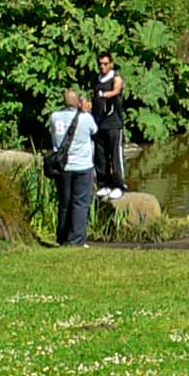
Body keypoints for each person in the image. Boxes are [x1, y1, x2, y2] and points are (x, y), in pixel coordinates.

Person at [47, 86, 98, 247]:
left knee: (64, 202)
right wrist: (84, 110)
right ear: (78, 102)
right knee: (80, 203)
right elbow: (94, 131)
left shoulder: (54, 117)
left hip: (62, 167)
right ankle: (77, 239)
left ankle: (61, 237)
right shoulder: (85, 118)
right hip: (82, 167)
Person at [93, 52, 128, 199]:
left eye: (105, 64)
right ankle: (105, 184)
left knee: (115, 155)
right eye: (100, 64)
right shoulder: (97, 80)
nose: (102, 66)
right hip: (100, 124)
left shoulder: (116, 78)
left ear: (111, 64)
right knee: (101, 156)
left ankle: (119, 185)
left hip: (114, 124)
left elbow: (116, 90)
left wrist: (104, 95)